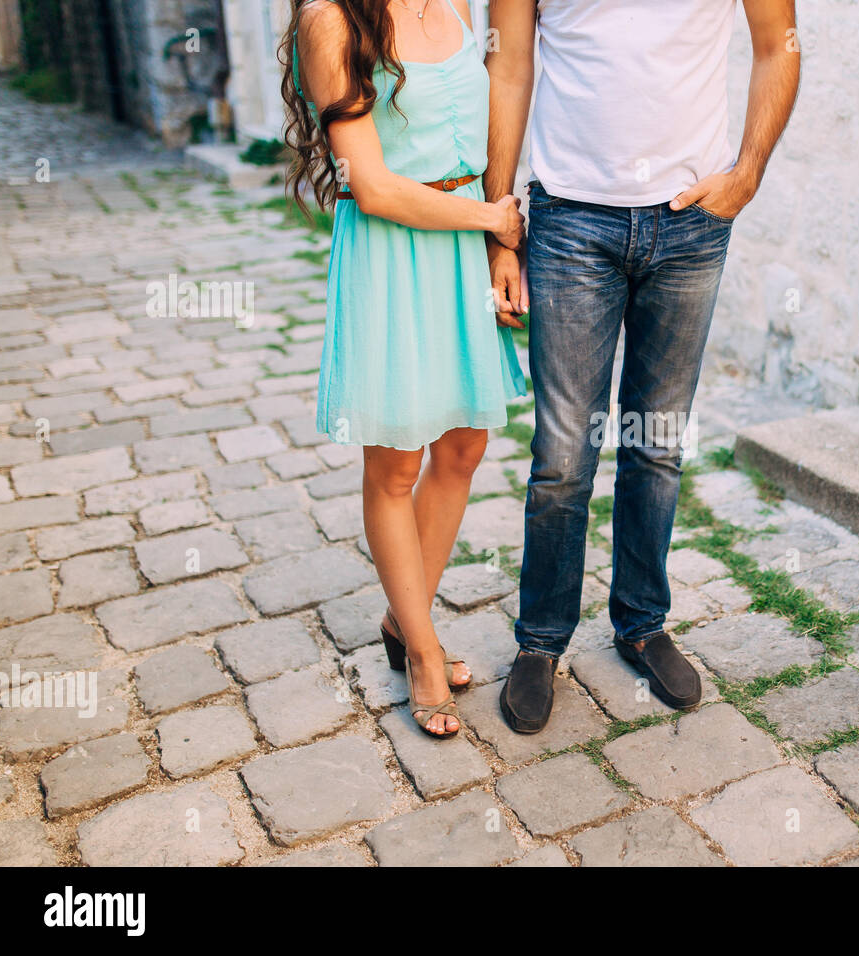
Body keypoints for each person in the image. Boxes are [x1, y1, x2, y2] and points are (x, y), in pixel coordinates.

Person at [484, 0, 801, 733]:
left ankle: (641, 622)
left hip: (692, 222)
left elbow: (777, 46)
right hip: (570, 223)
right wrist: (503, 228)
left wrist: (746, 174)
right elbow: (508, 67)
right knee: (563, 456)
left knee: (656, 443)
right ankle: (541, 642)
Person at [281, 0, 527, 737]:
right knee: (395, 465)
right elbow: (376, 186)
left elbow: (496, 115)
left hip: (459, 249)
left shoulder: (454, 5)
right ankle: (422, 650)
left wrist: (496, 245)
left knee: (464, 446)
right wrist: (493, 221)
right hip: (394, 251)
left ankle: (402, 613)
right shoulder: (331, 20)